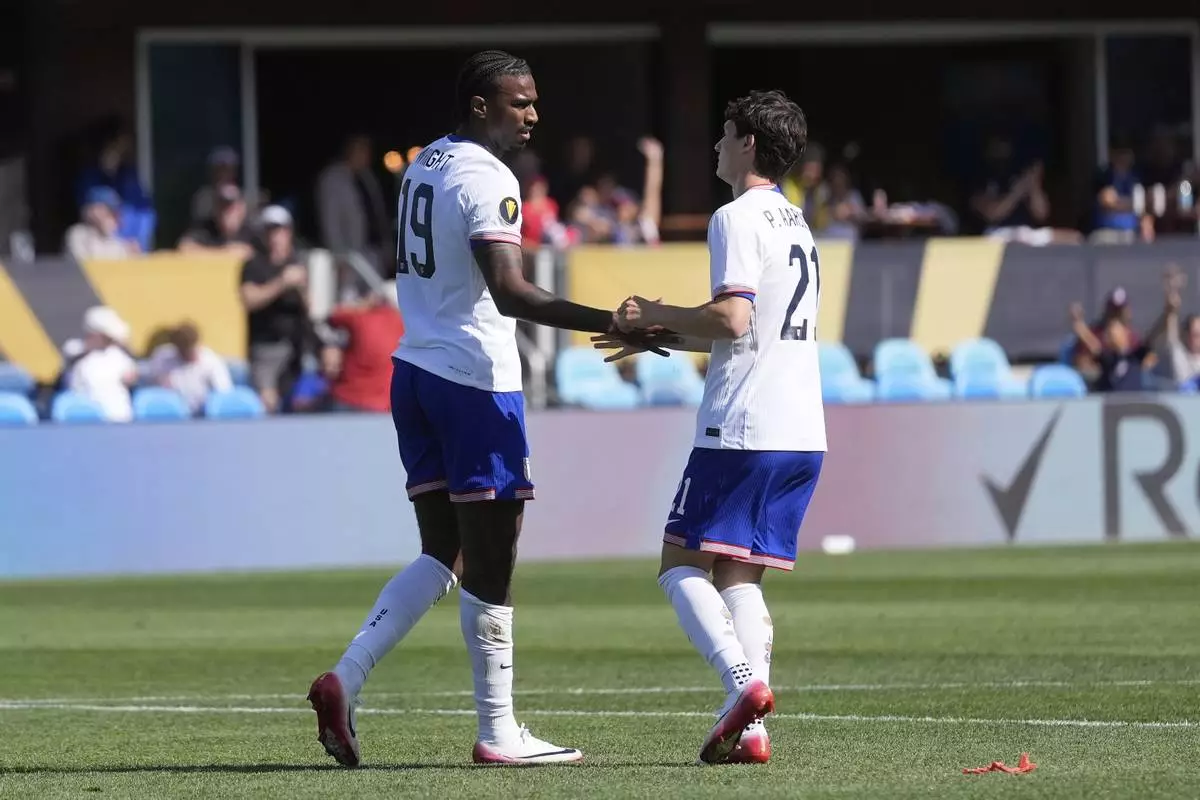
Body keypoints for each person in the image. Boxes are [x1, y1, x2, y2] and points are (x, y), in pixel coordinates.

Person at [306, 49, 661, 768]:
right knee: (491, 561)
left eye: (534, 102)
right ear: (480, 106)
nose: (533, 115)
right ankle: (499, 732)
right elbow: (510, 291)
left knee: (446, 551)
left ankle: (345, 677)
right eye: (519, 103)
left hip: (418, 373)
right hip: (474, 381)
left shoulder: (424, 163)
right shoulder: (488, 176)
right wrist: (611, 321)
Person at [594, 89, 825, 765]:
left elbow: (732, 320)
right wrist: (661, 331)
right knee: (740, 578)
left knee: (678, 563)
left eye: (724, 136)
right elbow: (746, 331)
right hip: (802, 429)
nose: (717, 147)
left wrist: (655, 310)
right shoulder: (797, 223)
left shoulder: (736, 216)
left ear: (748, 143)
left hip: (743, 425)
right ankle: (751, 733)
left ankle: (743, 687)